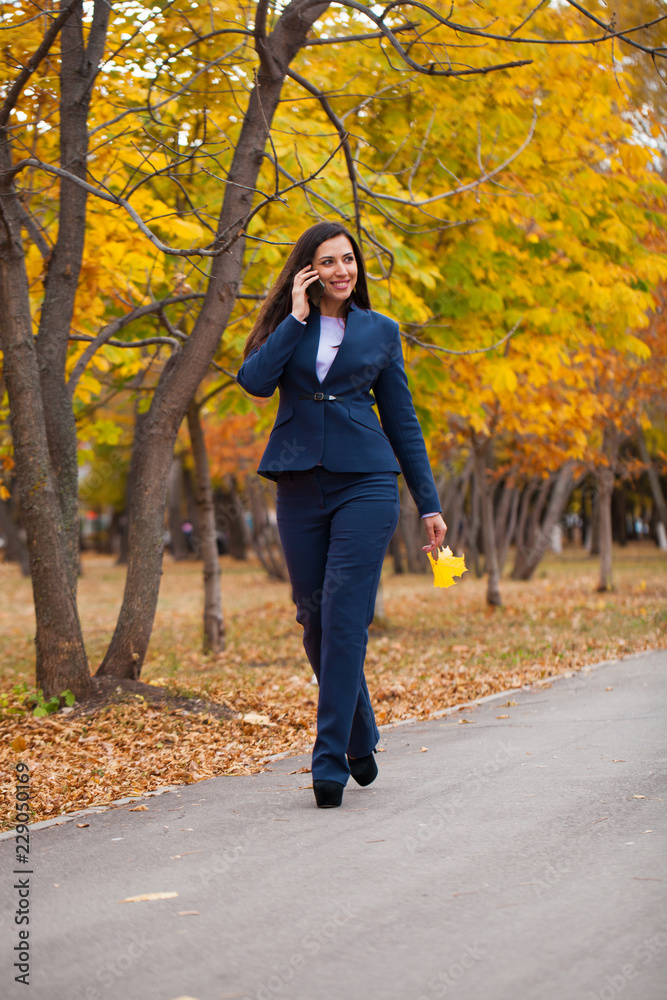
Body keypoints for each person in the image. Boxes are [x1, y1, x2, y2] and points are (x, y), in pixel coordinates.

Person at [237, 221, 447, 808]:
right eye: (327, 262)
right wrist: (296, 316)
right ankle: (359, 733)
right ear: (308, 270)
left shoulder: (381, 331)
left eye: (348, 260)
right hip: (300, 481)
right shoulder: (289, 326)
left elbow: (403, 420)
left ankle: (328, 760)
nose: (341, 270)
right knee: (313, 615)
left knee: (346, 613)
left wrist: (427, 503)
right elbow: (254, 382)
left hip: (367, 482)